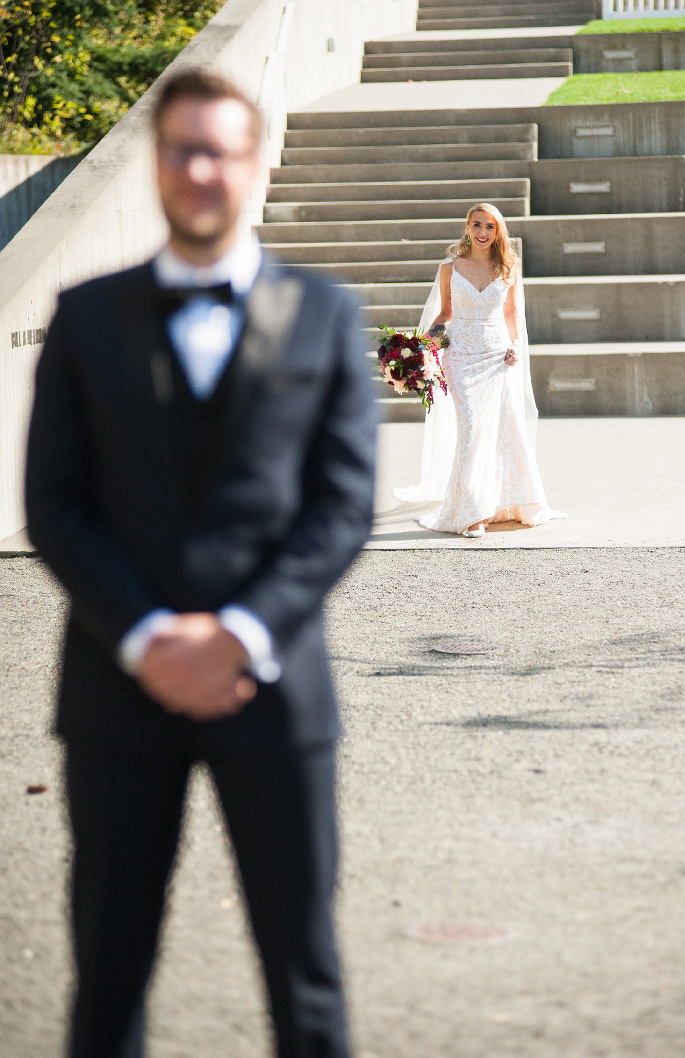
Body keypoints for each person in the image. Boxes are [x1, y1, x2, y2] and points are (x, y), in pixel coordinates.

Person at [25, 68, 377, 1058]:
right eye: (181, 149)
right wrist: (147, 636)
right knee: (107, 976)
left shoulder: (325, 313)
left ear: (254, 163)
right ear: (156, 164)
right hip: (115, 685)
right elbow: (54, 504)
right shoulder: (85, 316)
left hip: (275, 687)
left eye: (219, 150)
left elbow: (342, 505)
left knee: (305, 973)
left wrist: (240, 632)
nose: (200, 170)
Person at [395, 202, 564, 537]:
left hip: (496, 356)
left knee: (501, 430)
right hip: (460, 355)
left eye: (490, 226)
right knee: (472, 427)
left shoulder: (508, 266)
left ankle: (497, 505)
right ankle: (471, 512)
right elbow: (445, 313)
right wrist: (422, 348)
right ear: (467, 227)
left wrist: (516, 345)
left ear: (498, 231)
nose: (483, 232)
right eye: (477, 224)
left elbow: (512, 313)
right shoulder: (449, 267)